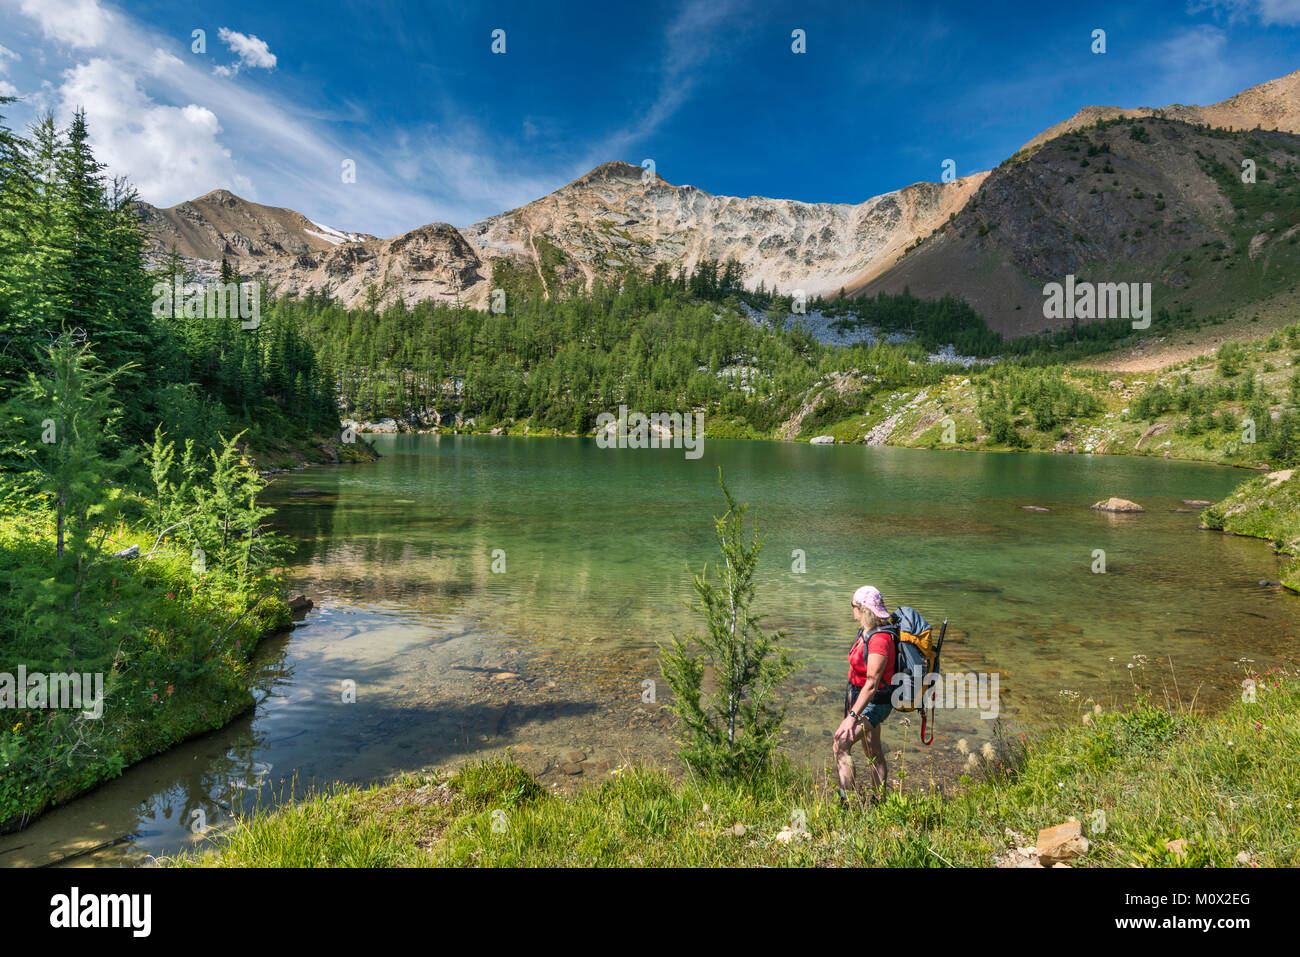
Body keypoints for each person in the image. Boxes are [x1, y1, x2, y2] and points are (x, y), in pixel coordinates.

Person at [832, 585, 895, 806]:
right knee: (872, 749)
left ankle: (846, 803)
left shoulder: (879, 640)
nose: (851, 610)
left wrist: (851, 716)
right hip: (861, 698)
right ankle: (879, 801)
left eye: (853, 605)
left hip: (875, 701)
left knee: (840, 744)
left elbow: (872, 682)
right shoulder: (866, 631)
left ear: (861, 608)